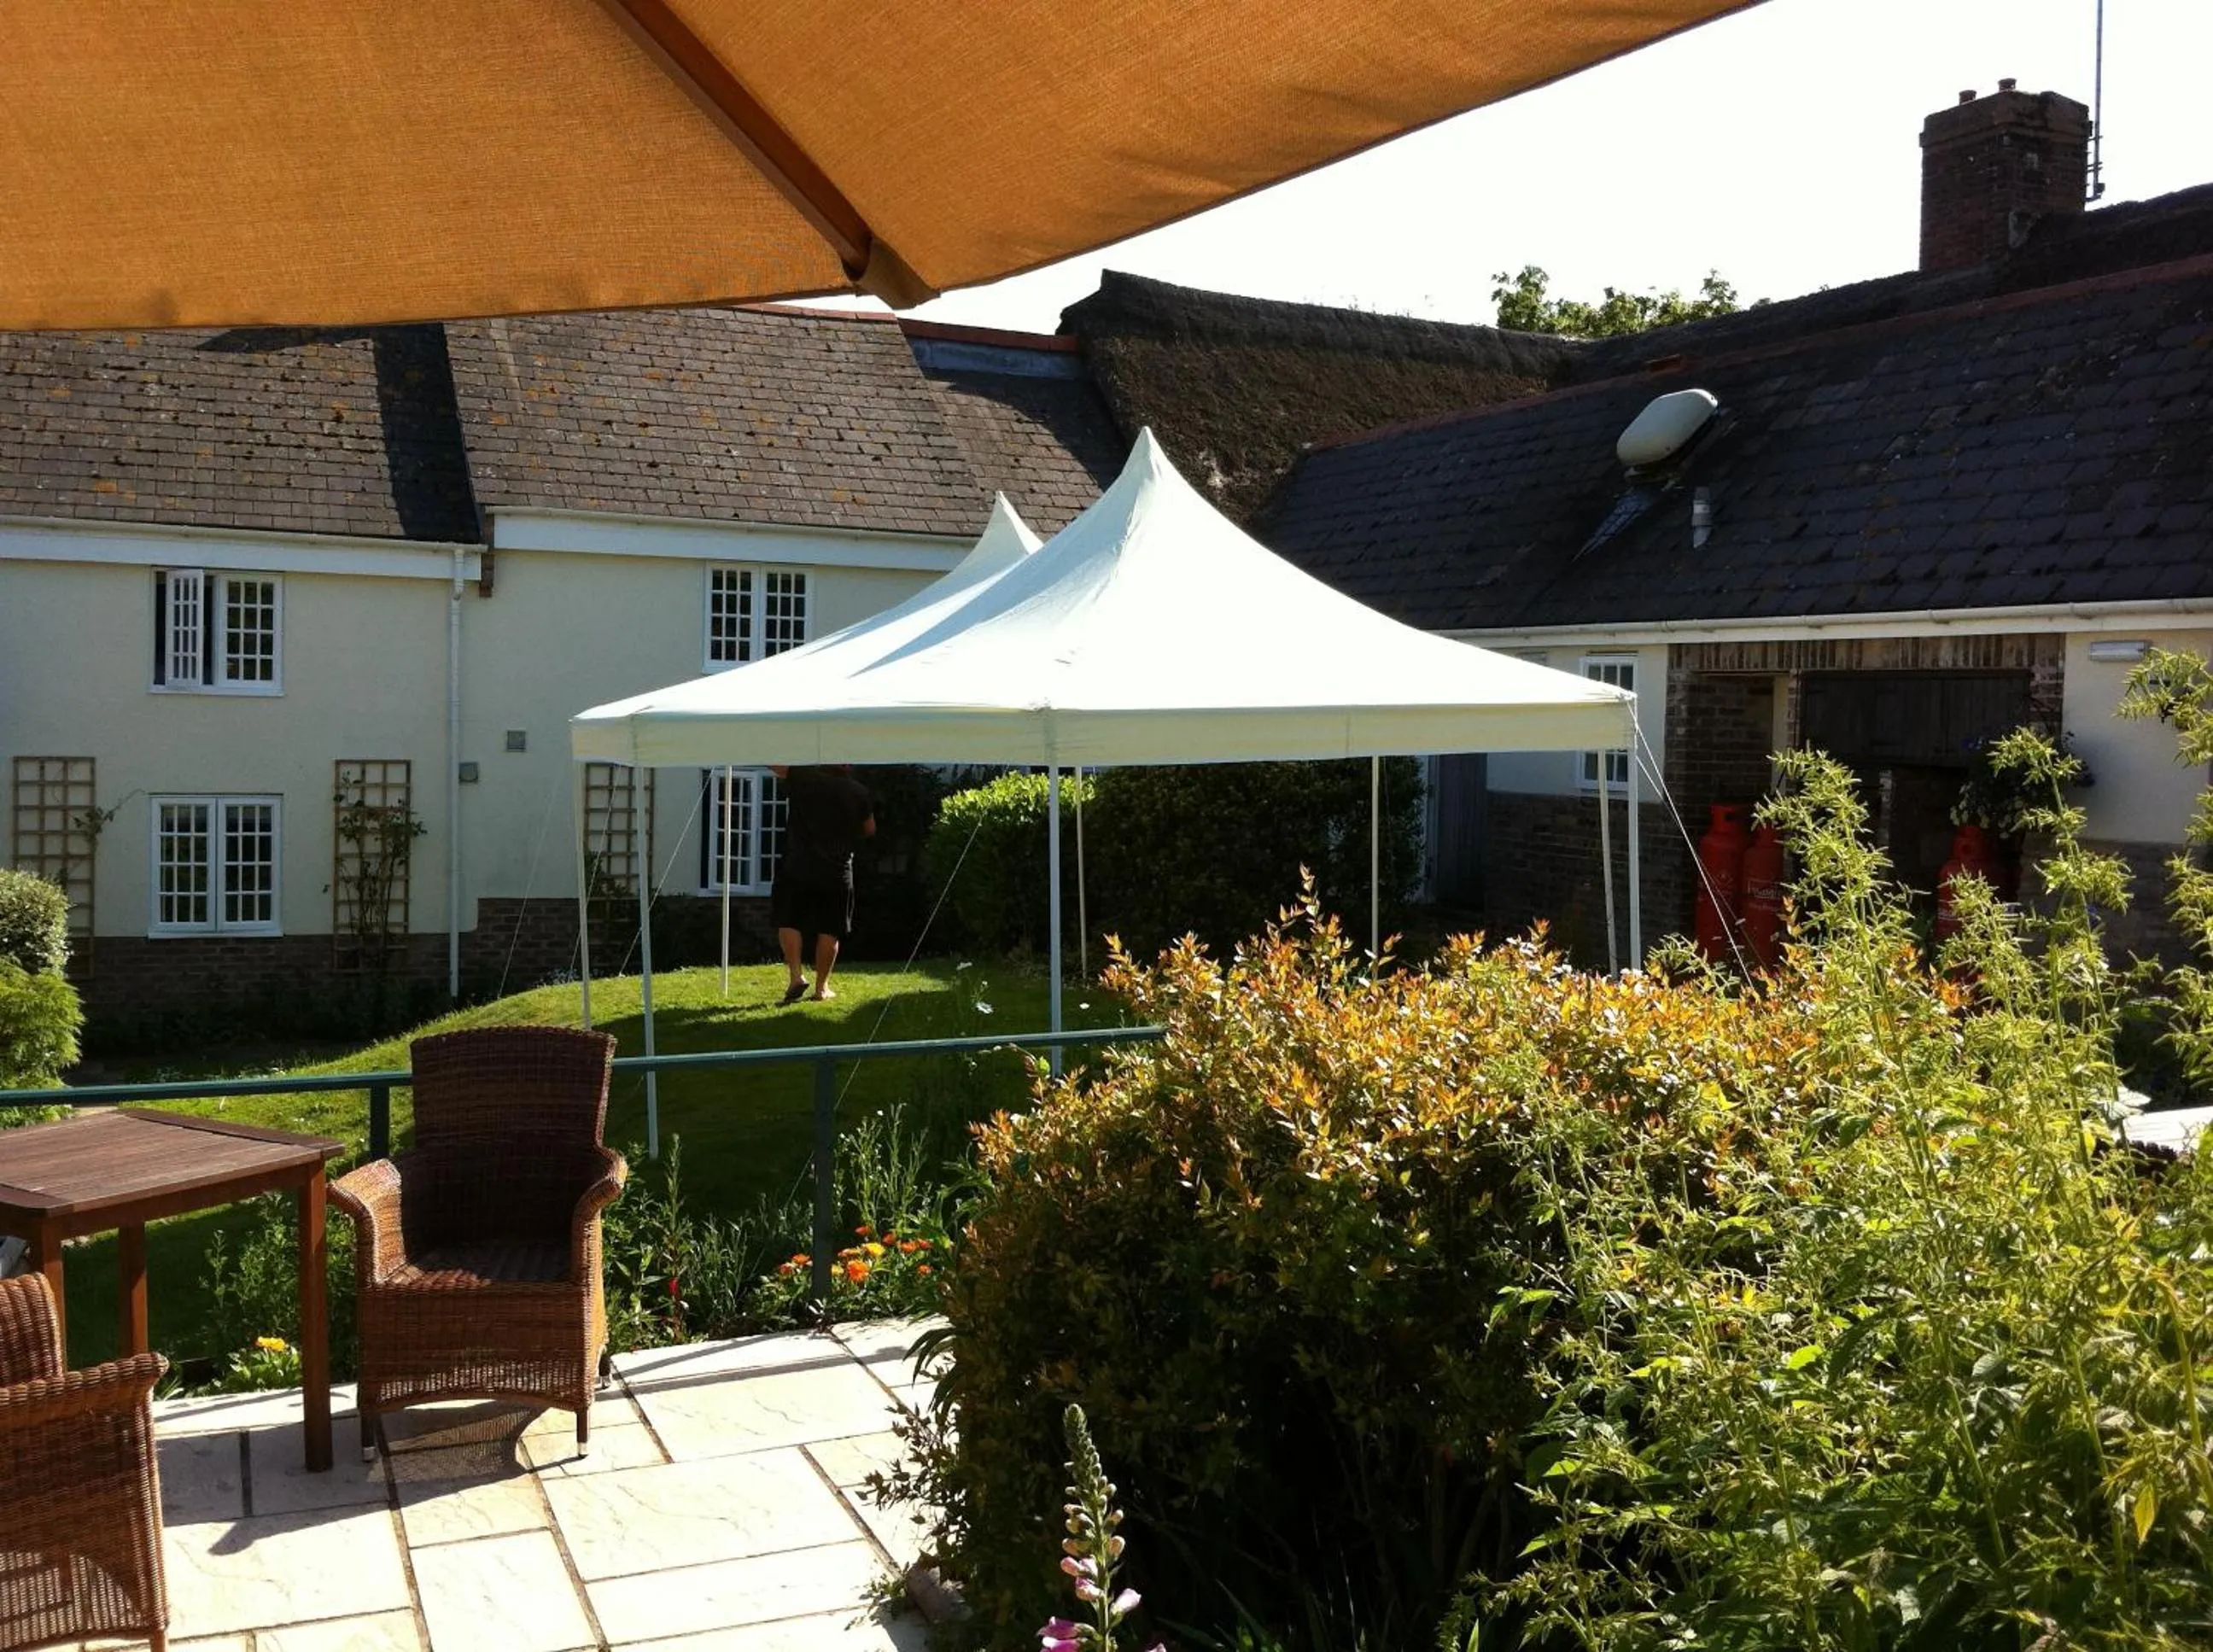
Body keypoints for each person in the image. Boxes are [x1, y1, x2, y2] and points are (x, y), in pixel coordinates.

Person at [769, 763, 875, 1004]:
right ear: (847, 764)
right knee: (831, 928)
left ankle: (796, 976)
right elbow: (870, 829)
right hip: (837, 868)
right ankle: (822, 987)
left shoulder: (803, 778)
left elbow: (775, 765)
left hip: (797, 863)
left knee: (788, 918)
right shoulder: (858, 791)